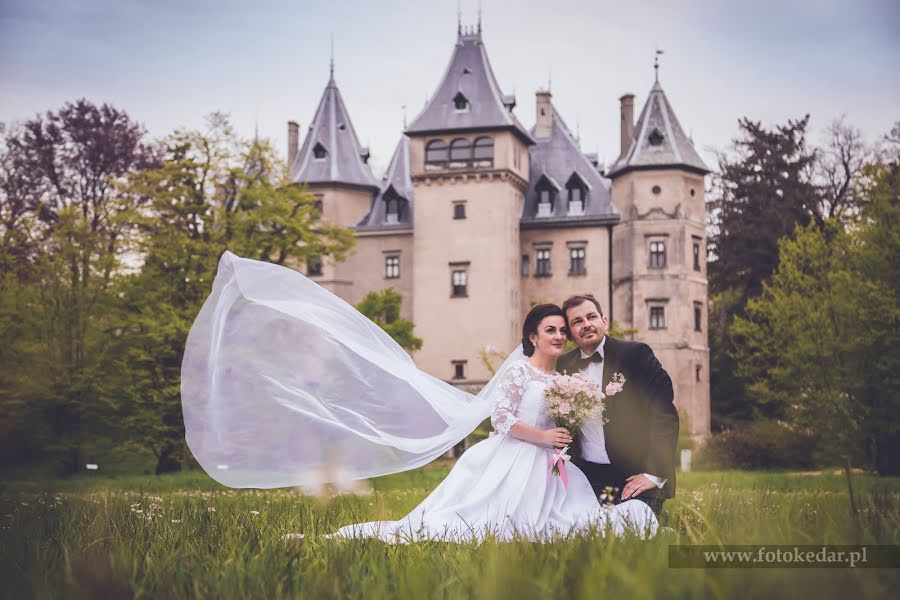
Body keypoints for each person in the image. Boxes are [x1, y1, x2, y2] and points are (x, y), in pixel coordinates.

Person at [181, 252, 657, 542]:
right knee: (477, 522)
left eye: (563, 330)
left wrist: (560, 436)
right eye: (550, 329)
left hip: (552, 465)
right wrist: (544, 435)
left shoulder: (567, 375)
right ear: (532, 336)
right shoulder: (519, 373)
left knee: (573, 519)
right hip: (516, 456)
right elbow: (501, 421)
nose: (560, 335)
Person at [556, 295, 679, 516]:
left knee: (637, 532)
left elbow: (664, 415)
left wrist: (654, 474)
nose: (586, 324)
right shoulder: (563, 366)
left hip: (635, 475)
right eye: (577, 321)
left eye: (591, 317)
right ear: (570, 334)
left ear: (604, 320)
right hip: (585, 477)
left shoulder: (635, 355)